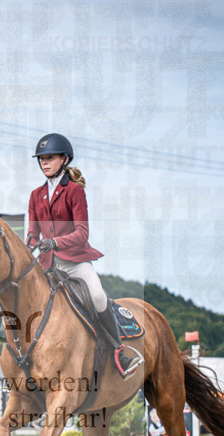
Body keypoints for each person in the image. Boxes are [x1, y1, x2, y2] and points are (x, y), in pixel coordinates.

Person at [26, 133, 143, 378]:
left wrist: (55, 242)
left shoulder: (75, 191)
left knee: (98, 296)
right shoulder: (36, 195)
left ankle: (119, 351)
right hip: (46, 264)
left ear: (64, 159)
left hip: (73, 262)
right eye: (41, 159)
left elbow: (82, 232)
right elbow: (33, 231)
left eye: (50, 158)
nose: (44, 163)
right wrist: (29, 244)